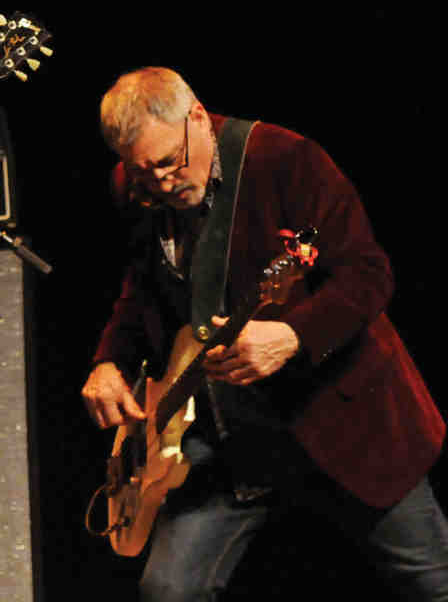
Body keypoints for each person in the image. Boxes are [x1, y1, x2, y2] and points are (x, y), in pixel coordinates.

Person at [81, 67, 448, 600]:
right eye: (143, 173)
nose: (161, 183)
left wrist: (294, 335)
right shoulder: (131, 187)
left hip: (336, 417)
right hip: (228, 435)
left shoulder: (287, 160)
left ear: (199, 119)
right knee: (168, 591)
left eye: (168, 162)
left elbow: (368, 273)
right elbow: (140, 290)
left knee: (432, 582)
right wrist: (108, 361)